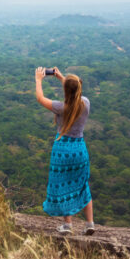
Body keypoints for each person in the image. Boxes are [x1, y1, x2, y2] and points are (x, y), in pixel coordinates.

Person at [34, 67, 95, 235]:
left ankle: (67, 225)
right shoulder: (86, 104)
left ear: (66, 90)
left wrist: (39, 79)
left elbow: (40, 98)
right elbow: (75, 92)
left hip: (62, 151)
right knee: (83, 184)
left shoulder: (61, 107)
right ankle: (90, 223)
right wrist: (63, 78)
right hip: (79, 150)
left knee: (63, 185)